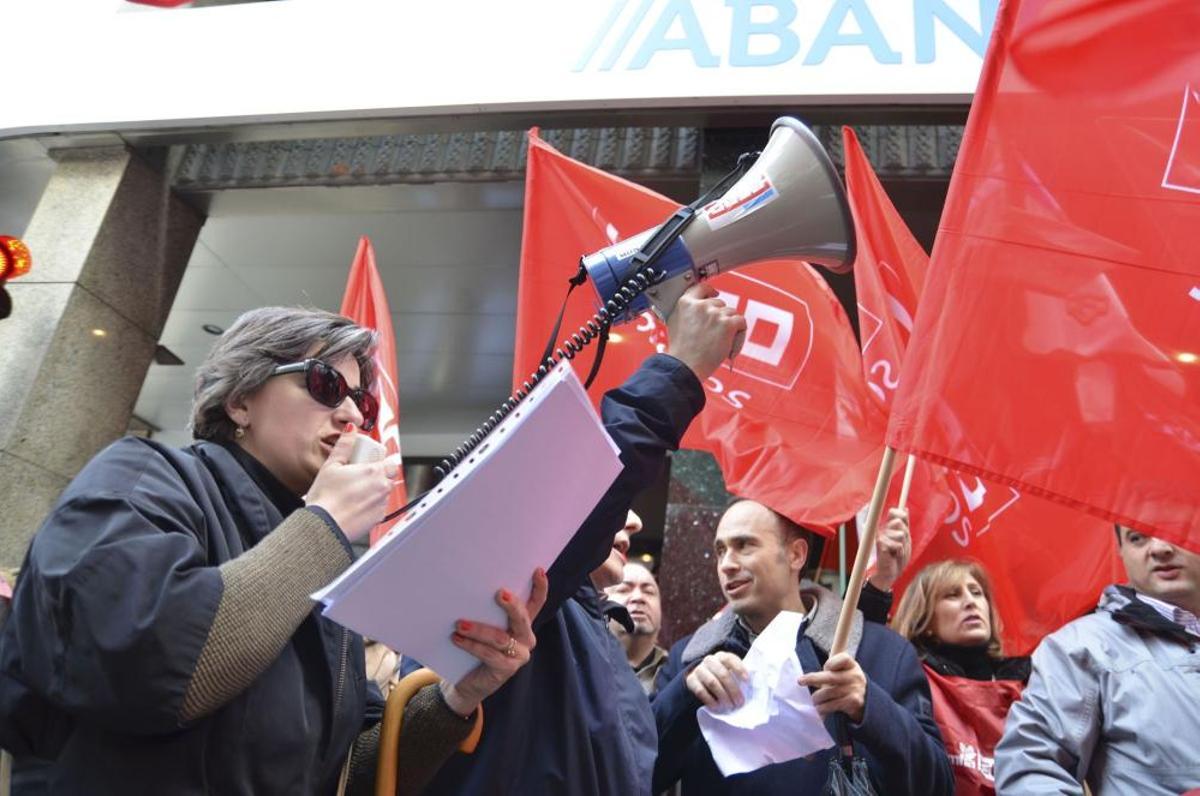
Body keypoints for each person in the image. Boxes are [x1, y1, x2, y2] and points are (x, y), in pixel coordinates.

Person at [0, 307, 545, 795]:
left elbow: (347, 776)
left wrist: (456, 698)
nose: (354, 416)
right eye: (326, 384)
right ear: (239, 400)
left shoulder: (322, 556)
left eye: (363, 399)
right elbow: (157, 668)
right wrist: (326, 522)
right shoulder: (145, 476)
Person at [406, 283, 746, 795]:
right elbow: (591, 489)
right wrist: (679, 370)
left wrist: (686, 698)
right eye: (615, 508)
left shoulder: (585, 624)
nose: (630, 523)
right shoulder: (513, 601)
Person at [652, 498, 953, 795]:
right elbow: (635, 772)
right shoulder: (689, 659)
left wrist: (869, 707)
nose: (727, 564)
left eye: (744, 545)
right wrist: (684, 695)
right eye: (720, 550)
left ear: (796, 555)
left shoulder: (880, 651)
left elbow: (937, 783)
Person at [995, 525, 1200, 795]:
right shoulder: (1080, 647)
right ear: (1121, 552)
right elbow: (1031, 769)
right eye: (1137, 538)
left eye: (1174, 529)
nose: (1160, 548)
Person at [890, 560, 1030, 795]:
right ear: (926, 620)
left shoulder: (1032, 682)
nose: (970, 602)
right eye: (952, 595)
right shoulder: (909, 678)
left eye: (977, 593)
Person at [604, 527, 669, 696]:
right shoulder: (583, 665)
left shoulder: (676, 672)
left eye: (649, 591)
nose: (638, 597)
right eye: (625, 589)